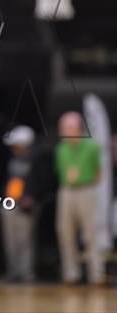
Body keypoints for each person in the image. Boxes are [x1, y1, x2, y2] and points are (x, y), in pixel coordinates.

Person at [55, 111, 104, 285]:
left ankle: (96, 275)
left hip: (86, 190)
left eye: (68, 127)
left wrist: (85, 180)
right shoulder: (61, 148)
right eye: (63, 128)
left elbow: (99, 172)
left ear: (78, 128)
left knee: (91, 233)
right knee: (65, 232)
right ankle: (71, 274)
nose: (65, 131)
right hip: (67, 191)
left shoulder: (92, 146)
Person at [0, 125, 37, 283]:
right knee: (10, 240)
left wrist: (32, 197)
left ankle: (26, 272)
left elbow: (41, 182)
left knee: (25, 240)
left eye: (17, 145)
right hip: (10, 203)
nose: (14, 148)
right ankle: (13, 271)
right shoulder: (12, 160)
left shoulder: (35, 161)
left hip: (25, 206)